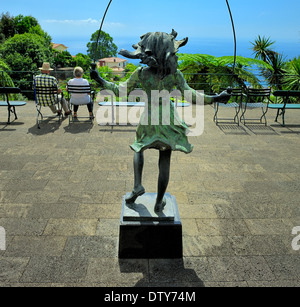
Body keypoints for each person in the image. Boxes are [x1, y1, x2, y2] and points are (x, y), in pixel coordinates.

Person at [90, 30, 231, 212]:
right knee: (165, 158)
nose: (176, 58)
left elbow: (120, 90)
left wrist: (100, 80)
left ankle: (137, 185)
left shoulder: (141, 73)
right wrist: (216, 98)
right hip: (169, 119)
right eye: (174, 54)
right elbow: (191, 96)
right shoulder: (175, 75)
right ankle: (158, 201)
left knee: (139, 147)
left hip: (149, 118)